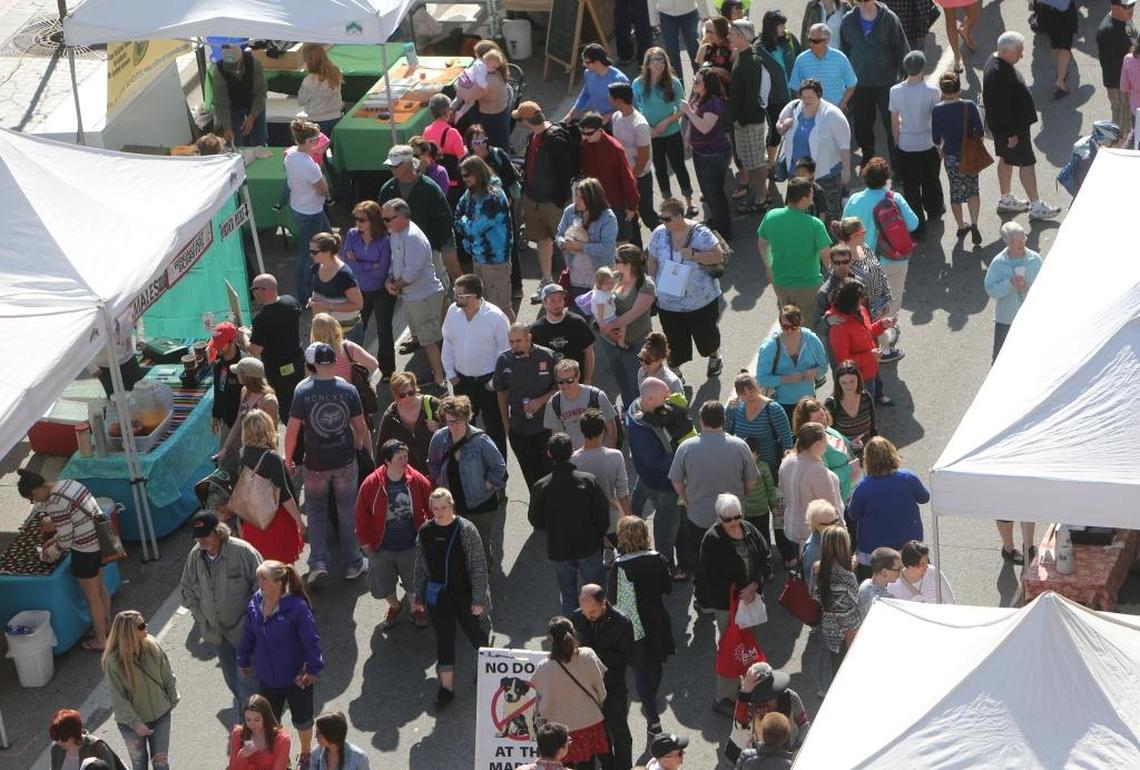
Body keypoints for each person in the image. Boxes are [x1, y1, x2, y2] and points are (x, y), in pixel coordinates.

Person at [285, 342, 371, 584]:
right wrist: (357, 445)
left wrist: (288, 458)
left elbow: (292, 431)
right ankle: (353, 563)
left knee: (316, 511)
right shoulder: (348, 390)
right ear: (334, 362)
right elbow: (361, 427)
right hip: (344, 460)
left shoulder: (303, 391)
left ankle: (318, 562)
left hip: (315, 463)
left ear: (313, 365)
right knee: (347, 511)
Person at [238, 561, 323, 768]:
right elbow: (249, 632)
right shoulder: (256, 602)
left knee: (302, 720)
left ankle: (305, 753)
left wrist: (313, 668)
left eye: (263, 579)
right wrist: (244, 657)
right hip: (268, 677)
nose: (259, 583)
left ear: (278, 582)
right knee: (270, 723)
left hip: (296, 677)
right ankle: (280, 755)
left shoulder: (296, 606)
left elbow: (310, 640)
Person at [411, 488, 492, 708]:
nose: (439, 512)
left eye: (443, 508)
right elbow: (421, 566)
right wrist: (417, 595)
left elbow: (478, 566)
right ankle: (446, 690)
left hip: (466, 597)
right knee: (444, 644)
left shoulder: (466, 529)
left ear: (452, 505)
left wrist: (478, 599)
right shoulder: (425, 532)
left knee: (479, 638)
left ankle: (488, 673)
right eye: (435, 508)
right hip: (440, 599)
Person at [672, 402, 761, 594]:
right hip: (732, 518)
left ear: (701, 420)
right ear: (723, 421)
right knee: (734, 558)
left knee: (702, 559)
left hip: (698, 517)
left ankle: (705, 599)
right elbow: (752, 480)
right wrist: (741, 497)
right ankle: (734, 594)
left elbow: (677, 480)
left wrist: (687, 500)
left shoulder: (686, 447)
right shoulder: (740, 446)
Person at [179, 510, 262, 716]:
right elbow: (186, 589)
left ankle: (251, 725)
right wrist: (201, 617)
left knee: (249, 683)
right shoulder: (195, 556)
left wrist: (251, 622)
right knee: (233, 681)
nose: (201, 541)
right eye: (198, 537)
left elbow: (262, 589)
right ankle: (250, 715)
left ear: (219, 531)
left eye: (205, 535)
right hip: (216, 634)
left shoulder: (243, 552)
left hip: (245, 633)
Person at [18, 470, 111, 652]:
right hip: (101, 542)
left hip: (86, 550)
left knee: (93, 598)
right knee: (101, 590)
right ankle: (106, 626)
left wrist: (50, 553)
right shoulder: (69, 484)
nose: (35, 502)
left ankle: (101, 640)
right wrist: (55, 540)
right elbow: (74, 522)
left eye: (32, 498)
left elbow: (66, 541)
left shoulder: (55, 503)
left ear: (35, 490)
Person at [698, 494, 771, 713]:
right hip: (727, 605)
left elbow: (765, 557)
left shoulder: (749, 529)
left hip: (750, 599)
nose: (733, 522)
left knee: (748, 645)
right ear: (719, 518)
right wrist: (741, 591)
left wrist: (755, 584)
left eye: (737, 517)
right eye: (727, 519)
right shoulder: (712, 539)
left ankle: (746, 687)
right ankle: (724, 699)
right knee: (733, 648)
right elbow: (707, 575)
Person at [982, 32, 1063, 221]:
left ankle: (1006, 199)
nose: (1022, 55)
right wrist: (1010, 133)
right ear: (1004, 50)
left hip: (1008, 128)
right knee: (1027, 163)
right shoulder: (998, 73)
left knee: (1006, 159)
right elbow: (998, 107)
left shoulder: (995, 63)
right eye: (1019, 51)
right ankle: (1036, 206)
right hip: (1012, 129)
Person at [529, 433, 611, 613]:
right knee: (596, 593)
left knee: (568, 596)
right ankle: (601, 627)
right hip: (588, 546)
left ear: (549, 454)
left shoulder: (541, 486)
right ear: (572, 452)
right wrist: (598, 535)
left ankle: (573, 634)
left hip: (560, 550)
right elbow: (603, 514)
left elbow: (535, 520)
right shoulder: (588, 480)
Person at [355, 439, 432, 630]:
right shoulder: (371, 484)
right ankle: (395, 606)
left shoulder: (416, 479)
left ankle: (415, 609)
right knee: (382, 585)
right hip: (382, 547)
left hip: (411, 544)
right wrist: (365, 545)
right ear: (387, 461)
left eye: (406, 456)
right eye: (399, 458)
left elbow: (431, 503)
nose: (405, 461)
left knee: (415, 581)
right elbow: (361, 516)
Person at [646, 197, 726, 380]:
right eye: (661, 219)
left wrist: (694, 255)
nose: (663, 223)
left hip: (700, 300)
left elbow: (718, 256)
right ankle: (675, 373)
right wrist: (651, 281)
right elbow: (652, 259)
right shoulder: (659, 233)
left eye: (667, 219)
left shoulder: (701, 234)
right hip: (668, 302)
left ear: (680, 216)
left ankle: (715, 356)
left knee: (706, 336)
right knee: (674, 341)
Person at [609, 516, 675, 735]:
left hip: (632, 626)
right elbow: (667, 588)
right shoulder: (657, 559)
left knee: (640, 669)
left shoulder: (618, 566)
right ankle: (651, 709)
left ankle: (651, 712)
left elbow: (612, 599)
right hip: (656, 620)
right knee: (656, 666)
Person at [427, 395, 508, 564]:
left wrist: (487, 484)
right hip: (453, 506)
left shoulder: (480, 440)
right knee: (459, 545)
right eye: (450, 421)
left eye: (458, 421)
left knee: (480, 544)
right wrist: (438, 482)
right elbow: (433, 463)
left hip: (481, 506)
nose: (454, 426)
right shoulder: (439, 439)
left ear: (467, 417)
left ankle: (483, 575)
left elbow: (499, 466)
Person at [514, 101, 579, 300]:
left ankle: (575, 282)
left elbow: (564, 173)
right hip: (534, 199)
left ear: (526, 120)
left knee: (566, 243)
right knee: (543, 240)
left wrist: (559, 200)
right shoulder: (533, 136)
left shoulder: (555, 139)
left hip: (553, 202)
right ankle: (547, 281)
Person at [626, 378, 692, 576]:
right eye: (664, 397)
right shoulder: (641, 429)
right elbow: (655, 462)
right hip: (663, 484)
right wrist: (684, 455)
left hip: (665, 480)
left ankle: (687, 560)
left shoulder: (644, 408)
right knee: (667, 527)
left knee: (681, 521)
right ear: (650, 398)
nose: (668, 399)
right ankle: (666, 566)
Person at [441, 274, 511, 457]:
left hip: (489, 383)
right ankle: (467, 465)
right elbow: (447, 342)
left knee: (494, 429)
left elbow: (506, 354)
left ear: (474, 296)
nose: (455, 299)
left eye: (459, 296)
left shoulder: (496, 318)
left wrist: (495, 382)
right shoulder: (452, 312)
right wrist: (450, 373)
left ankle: (499, 471)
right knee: (461, 427)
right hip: (462, 382)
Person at [383, 198, 448, 390]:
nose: (385, 223)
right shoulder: (396, 233)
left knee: (429, 340)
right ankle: (434, 373)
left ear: (403, 217)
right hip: (412, 296)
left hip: (423, 296)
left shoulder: (413, 238)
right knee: (421, 336)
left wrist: (395, 285)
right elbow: (395, 261)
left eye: (388, 219)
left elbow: (413, 271)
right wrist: (389, 279)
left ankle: (439, 379)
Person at [102, 610, 179, 770]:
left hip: (160, 716)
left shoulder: (153, 646)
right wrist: (136, 723)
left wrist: (172, 698)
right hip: (131, 725)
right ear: (129, 632)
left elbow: (167, 673)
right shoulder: (114, 662)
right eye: (142, 625)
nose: (146, 626)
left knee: (161, 764)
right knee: (139, 765)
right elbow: (118, 699)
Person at [376, 144, 457, 293]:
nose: (392, 169)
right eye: (391, 166)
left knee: (440, 289)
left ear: (408, 163)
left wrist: (436, 248)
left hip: (429, 250)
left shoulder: (430, 189)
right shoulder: (387, 189)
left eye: (397, 165)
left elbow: (444, 221)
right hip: (397, 248)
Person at [531, 617, 610, 767]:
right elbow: (601, 687)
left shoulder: (544, 667)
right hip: (591, 721)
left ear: (551, 639)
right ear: (573, 633)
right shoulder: (588, 655)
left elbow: (542, 703)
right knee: (590, 763)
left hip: (562, 732)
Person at [571, 585, 635, 770]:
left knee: (619, 731)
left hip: (612, 686)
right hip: (586, 687)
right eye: (584, 612)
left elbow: (625, 657)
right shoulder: (577, 617)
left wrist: (591, 655)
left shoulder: (623, 623)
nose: (587, 616)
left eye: (591, 612)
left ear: (604, 603)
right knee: (596, 731)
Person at [838, 0, 909, 167]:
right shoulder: (848, 21)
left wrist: (907, 79)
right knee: (862, 126)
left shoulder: (890, 19)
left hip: (887, 83)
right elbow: (844, 52)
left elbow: (902, 49)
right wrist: (845, 79)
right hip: (860, 84)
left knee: (892, 125)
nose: (865, 2)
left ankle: (898, 165)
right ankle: (868, 159)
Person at [841, 157, 918, 307]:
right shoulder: (895, 198)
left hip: (863, 262)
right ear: (886, 178)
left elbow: (844, 229)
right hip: (894, 259)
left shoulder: (854, 200)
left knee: (867, 307)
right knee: (891, 308)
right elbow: (913, 224)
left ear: (865, 177)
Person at [847, 436, 929, 577]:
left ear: (868, 460)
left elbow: (853, 514)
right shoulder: (908, 478)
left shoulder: (863, 488)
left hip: (876, 554)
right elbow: (925, 497)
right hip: (909, 548)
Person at [775, 79, 853, 219]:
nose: (806, 100)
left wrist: (846, 171)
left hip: (825, 176)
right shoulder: (793, 107)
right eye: (803, 97)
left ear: (819, 96)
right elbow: (779, 125)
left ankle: (830, 240)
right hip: (797, 175)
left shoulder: (833, 115)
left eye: (810, 97)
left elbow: (844, 145)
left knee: (829, 214)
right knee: (800, 215)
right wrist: (782, 127)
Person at [633, 48, 696, 216]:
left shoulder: (673, 82)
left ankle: (689, 200)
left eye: (661, 61)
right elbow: (635, 109)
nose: (658, 64)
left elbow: (683, 109)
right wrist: (648, 127)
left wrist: (666, 121)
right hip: (651, 134)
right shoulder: (638, 84)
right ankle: (668, 203)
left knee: (678, 165)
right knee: (659, 168)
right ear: (647, 63)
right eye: (654, 60)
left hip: (672, 132)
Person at [493, 324, 558, 487]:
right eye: (511, 342)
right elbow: (501, 393)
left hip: (547, 428)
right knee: (532, 479)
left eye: (519, 341)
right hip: (519, 430)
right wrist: (506, 423)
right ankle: (538, 509)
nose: (515, 345)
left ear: (529, 338)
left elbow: (560, 387)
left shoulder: (547, 357)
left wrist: (541, 400)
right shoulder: (504, 360)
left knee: (551, 475)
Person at [758, 176, 833, 315]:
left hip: (780, 283)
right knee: (809, 328)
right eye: (811, 194)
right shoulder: (815, 224)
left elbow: (762, 243)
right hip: (808, 286)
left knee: (788, 322)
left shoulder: (771, 216)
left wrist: (768, 267)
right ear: (804, 200)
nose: (813, 198)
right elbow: (827, 259)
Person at [454, 155, 516, 322]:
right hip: (478, 258)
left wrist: (466, 222)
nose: (464, 179)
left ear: (478, 173)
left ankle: (516, 341)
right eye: (462, 175)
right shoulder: (470, 193)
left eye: (467, 175)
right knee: (485, 306)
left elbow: (473, 229)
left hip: (495, 260)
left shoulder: (494, 197)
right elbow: (457, 217)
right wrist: (467, 223)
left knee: (501, 307)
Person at [890, 51, 944, 241]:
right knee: (931, 180)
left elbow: (894, 122)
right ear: (923, 68)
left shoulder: (895, 91)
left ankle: (917, 227)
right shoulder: (932, 91)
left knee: (911, 187)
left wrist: (897, 143)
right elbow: (937, 120)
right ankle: (935, 209)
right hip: (928, 143)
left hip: (906, 145)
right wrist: (940, 144)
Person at [463, 122, 523, 294]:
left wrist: (508, 204)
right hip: (479, 215)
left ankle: (515, 286)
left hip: (502, 212)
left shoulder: (497, 155)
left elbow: (511, 181)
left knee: (507, 246)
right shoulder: (467, 162)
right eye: (476, 142)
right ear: (469, 144)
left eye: (483, 140)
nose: (481, 145)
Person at [598, 245, 659, 412]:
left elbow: (634, 314)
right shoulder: (614, 277)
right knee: (621, 380)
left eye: (617, 260)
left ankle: (641, 413)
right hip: (610, 341)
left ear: (629, 264)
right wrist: (606, 328)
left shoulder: (646, 285)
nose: (614, 263)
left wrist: (608, 326)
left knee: (637, 383)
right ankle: (628, 410)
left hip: (637, 343)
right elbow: (598, 297)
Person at [724, 370, 794, 505]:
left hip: (769, 467)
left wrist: (785, 465)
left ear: (757, 387)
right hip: (743, 467)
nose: (748, 396)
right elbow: (727, 433)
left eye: (751, 391)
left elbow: (786, 439)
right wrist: (729, 412)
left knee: (776, 505)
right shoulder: (736, 408)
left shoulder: (773, 409)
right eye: (743, 393)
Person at [930, 72, 984, 246]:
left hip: (951, 157)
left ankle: (961, 226)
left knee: (955, 192)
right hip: (970, 155)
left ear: (942, 90)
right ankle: (974, 223)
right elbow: (980, 131)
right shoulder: (969, 105)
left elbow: (936, 139)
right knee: (973, 190)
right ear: (958, 88)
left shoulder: (937, 110)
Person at [779, 423, 845, 563]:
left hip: (790, 530)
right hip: (813, 537)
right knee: (817, 577)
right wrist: (843, 534)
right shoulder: (817, 471)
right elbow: (832, 509)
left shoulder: (787, 462)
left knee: (803, 572)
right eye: (825, 438)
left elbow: (783, 491)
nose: (827, 442)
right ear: (817, 442)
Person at [825, 277, 897, 405]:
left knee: (870, 401)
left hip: (870, 368)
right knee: (864, 409)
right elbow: (843, 360)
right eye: (860, 298)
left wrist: (882, 325)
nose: (863, 300)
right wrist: (870, 356)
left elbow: (868, 331)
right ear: (850, 301)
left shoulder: (860, 310)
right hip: (858, 379)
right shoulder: (839, 326)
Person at [344, 201, 395, 378]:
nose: (358, 222)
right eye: (356, 218)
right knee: (356, 330)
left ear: (373, 220)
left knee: (384, 331)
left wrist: (359, 264)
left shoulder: (385, 240)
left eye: (362, 219)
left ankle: (388, 371)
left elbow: (382, 271)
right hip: (359, 291)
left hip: (381, 292)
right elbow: (348, 265)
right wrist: (370, 265)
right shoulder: (351, 235)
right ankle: (352, 367)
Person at [681, 70, 734, 237]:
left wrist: (688, 111)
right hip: (701, 153)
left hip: (714, 155)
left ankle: (724, 230)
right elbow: (693, 122)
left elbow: (705, 127)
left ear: (707, 85)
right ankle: (716, 220)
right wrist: (687, 138)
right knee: (707, 191)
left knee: (715, 193)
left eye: (698, 82)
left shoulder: (713, 103)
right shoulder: (699, 98)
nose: (694, 84)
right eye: (694, 81)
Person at [283, 121, 331, 306]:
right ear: (309, 141)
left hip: (301, 207)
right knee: (307, 256)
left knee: (330, 241)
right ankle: (304, 297)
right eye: (317, 139)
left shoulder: (290, 155)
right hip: (312, 211)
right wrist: (324, 181)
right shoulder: (310, 165)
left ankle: (332, 276)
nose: (320, 141)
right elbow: (323, 190)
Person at [728, 20, 772, 216]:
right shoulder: (741, 55)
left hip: (750, 121)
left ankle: (761, 199)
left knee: (756, 163)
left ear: (742, 36)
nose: (729, 36)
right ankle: (760, 193)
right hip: (742, 121)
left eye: (732, 33)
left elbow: (751, 96)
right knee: (750, 161)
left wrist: (741, 120)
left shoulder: (751, 61)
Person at [555, 177, 620, 311]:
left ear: (593, 199)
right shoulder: (570, 212)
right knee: (579, 320)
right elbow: (559, 235)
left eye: (581, 198)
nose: (576, 201)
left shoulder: (607, 218)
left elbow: (607, 248)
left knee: (601, 318)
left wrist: (580, 247)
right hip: (576, 278)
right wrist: (564, 243)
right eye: (576, 196)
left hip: (601, 280)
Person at [726, 663, 811, 762]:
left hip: (788, 750)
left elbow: (804, 725)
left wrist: (799, 749)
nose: (763, 703)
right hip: (760, 756)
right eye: (760, 698)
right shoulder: (749, 705)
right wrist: (744, 693)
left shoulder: (791, 698)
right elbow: (739, 726)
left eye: (768, 697)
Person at [983, 220, 1043, 362]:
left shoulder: (1035, 260)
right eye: (1019, 241)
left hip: (1031, 319)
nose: (1024, 242)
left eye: (1024, 238)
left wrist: (1027, 289)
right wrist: (1009, 283)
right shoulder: (998, 262)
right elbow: (990, 289)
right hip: (1006, 320)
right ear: (1008, 243)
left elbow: (1046, 287)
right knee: (999, 360)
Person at [810, 525, 862, 689]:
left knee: (835, 665)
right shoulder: (848, 576)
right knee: (849, 668)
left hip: (829, 625)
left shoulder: (817, 569)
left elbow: (815, 595)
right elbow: (856, 601)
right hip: (850, 629)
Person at [247, 274, 305, 418]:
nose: (252, 292)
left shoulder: (261, 320)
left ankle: (298, 438)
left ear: (263, 290)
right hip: (299, 363)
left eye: (253, 288)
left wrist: (243, 337)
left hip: (279, 373)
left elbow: (255, 350)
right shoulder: (291, 302)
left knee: (287, 411)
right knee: (303, 401)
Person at [756, 306, 828, 417]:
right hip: (782, 404)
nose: (790, 330)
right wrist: (786, 379)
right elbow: (761, 379)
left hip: (808, 401)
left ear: (800, 323)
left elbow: (823, 367)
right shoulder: (769, 347)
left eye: (794, 327)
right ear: (780, 325)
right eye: (785, 327)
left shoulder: (811, 340)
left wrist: (814, 372)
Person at [308, 313, 378, 428]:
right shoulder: (347, 347)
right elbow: (374, 364)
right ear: (335, 326)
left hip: (328, 405)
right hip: (353, 399)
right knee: (362, 433)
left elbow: (309, 381)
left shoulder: (312, 354)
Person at [611, 81, 661, 238]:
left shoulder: (639, 125)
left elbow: (644, 156)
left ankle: (665, 239)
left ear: (618, 100)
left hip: (640, 177)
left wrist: (631, 178)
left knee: (647, 214)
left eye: (610, 97)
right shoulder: (616, 117)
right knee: (629, 214)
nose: (609, 100)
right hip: (624, 175)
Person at [571, 410, 632, 539]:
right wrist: (628, 521)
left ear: (582, 432)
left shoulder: (573, 460)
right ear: (602, 431)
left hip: (587, 523)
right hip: (613, 521)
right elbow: (623, 493)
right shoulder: (615, 456)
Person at [216, 357, 279, 472]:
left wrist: (274, 461)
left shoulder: (268, 401)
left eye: (238, 373)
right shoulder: (244, 391)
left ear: (246, 377)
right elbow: (238, 422)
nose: (236, 375)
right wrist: (225, 449)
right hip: (246, 452)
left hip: (261, 456)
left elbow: (273, 433)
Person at [792, 397, 860, 503]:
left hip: (853, 483)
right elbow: (825, 479)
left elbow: (841, 445)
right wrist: (850, 468)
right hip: (843, 495)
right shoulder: (812, 446)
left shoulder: (826, 429)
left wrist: (852, 445)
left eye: (822, 415)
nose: (822, 421)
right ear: (806, 425)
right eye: (816, 420)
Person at [758, 11, 800, 171]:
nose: (784, 28)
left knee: (795, 130)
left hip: (794, 95)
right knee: (776, 132)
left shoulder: (788, 39)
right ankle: (771, 163)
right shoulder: (759, 48)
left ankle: (792, 161)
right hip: (773, 99)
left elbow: (800, 56)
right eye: (781, 25)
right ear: (771, 27)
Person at [376, 372, 441, 475]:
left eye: (411, 393)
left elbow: (455, 426)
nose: (407, 398)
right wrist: (381, 476)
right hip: (409, 475)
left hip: (436, 469)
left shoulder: (431, 404)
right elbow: (381, 449)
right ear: (395, 396)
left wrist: (439, 428)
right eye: (402, 395)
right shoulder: (391, 416)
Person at [530, 283, 597, 382]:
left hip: (576, 382)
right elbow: (532, 360)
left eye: (560, 299)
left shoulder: (578, 322)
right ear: (544, 303)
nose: (557, 304)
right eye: (552, 300)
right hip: (549, 386)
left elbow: (589, 353)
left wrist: (587, 380)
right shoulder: (536, 329)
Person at [545, 359, 618, 449]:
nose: (565, 385)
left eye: (569, 380)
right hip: (575, 457)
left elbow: (611, 427)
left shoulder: (596, 396)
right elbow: (556, 435)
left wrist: (612, 452)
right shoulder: (553, 403)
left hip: (600, 453)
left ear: (578, 376)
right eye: (560, 381)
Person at [308, 232, 364, 343]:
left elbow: (358, 304)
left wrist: (329, 306)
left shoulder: (344, 275)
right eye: (310, 251)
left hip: (347, 333)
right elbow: (317, 292)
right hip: (325, 331)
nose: (311, 255)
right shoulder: (317, 267)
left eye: (314, 252)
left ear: (327, 252)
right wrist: (312, 301)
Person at [788, 25, 857, 110]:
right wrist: (805, 107)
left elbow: (852, 84)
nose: (811, 44)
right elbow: (795, 87)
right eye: (810, 40)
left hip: (835, 112)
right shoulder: (801, 60)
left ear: (827, 40)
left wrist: (841, 106)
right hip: (810, 113)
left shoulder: (840, 58)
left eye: (816, 41)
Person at [212, 42, 267, 146]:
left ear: (241, 58)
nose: (233, 69)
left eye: (234, 64)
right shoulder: (219, 71)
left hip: (253, 100)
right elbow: (221, 102)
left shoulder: (255, 64)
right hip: (233, 104)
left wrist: (252, 117)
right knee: (236, 140)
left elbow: (260, 94)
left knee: (260, 138)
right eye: (229, 66)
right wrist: (227, 127)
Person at [1099, 1, 1138, 141]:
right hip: (1119, 87)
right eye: (1127, 6)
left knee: (1132, 123)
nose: (1132, 9)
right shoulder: (1107, 31)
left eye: (1133, 4)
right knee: (1123, 127)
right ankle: (1120, 153)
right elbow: (1110, 66)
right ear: (1115, 6)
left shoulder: (1125, 19)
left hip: (1130, 83)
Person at [565, 43, 630, 124]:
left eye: (587, 62)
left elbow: (627, 106)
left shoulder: (619, 79)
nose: (584, 65)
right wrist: (571, 115)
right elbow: (585, 95)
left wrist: (607, 116)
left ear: (597, 62)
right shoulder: (588, 73)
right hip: (599, 122)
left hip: (618, 124)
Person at [421, 94, 466, 207]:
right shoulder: (453, 133)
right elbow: (462, 158)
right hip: (452, 183)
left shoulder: (426, 131)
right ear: (446, 111)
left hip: (434, 180)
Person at [227, 694, 291, 770]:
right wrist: (241, 756)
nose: (252, 724)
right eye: (248, 720)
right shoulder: (238, 734)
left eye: (256, 720)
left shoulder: (282, 740)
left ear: (266, 717)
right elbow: (233, 767)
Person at [49, 708, 126, 770]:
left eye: (63, 739)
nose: (58, 742)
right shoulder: (56, 748)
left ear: (74, 734)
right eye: (56, 738)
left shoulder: (97, 747)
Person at [825, 359, 878, 449]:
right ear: (838, 383)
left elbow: (873, 429)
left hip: (867, 454)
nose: (848, 386)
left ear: (859, 379)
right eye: (844, 383)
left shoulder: (865, 396)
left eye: (852, 381)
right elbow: (828, 436)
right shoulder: (831, 403)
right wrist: (849, 444)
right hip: (844, 457)